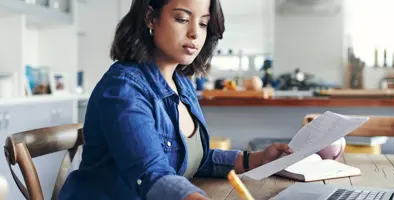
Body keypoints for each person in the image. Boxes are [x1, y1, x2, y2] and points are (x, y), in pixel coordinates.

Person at [58, 0, 292, 199]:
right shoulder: (123, 89)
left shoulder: (181, 83)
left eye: (203, 23)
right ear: (151, 17)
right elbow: (151, 173)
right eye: (181, 19)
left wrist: (257, 159)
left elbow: (193, 159)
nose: (195, 33)